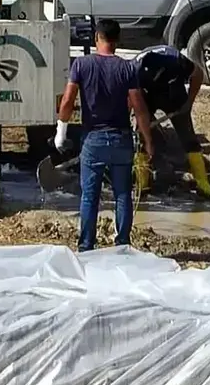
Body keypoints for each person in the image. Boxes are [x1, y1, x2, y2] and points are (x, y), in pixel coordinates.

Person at [56, 17, 157, 251]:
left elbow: (68, 100)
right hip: (121, 140)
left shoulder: (81, 65)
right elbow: (139, 108)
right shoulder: (127, 68)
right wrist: (148, 141)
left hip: (93, 140)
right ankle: (122, 244)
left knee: (90, 196)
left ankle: (86, 246)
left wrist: (61, 131)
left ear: (96, 39)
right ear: (117, 40)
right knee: (123, 194)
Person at [132, 39, 210, 198]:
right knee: (140, 138)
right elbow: (135, 102)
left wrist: (189, 102)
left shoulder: (177, 60)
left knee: (188, 138)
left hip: (174, 94)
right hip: (147, 96)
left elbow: (198, 74)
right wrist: (143, 126)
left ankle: (203, 184)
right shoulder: (135, 69)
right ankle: (142, 184)